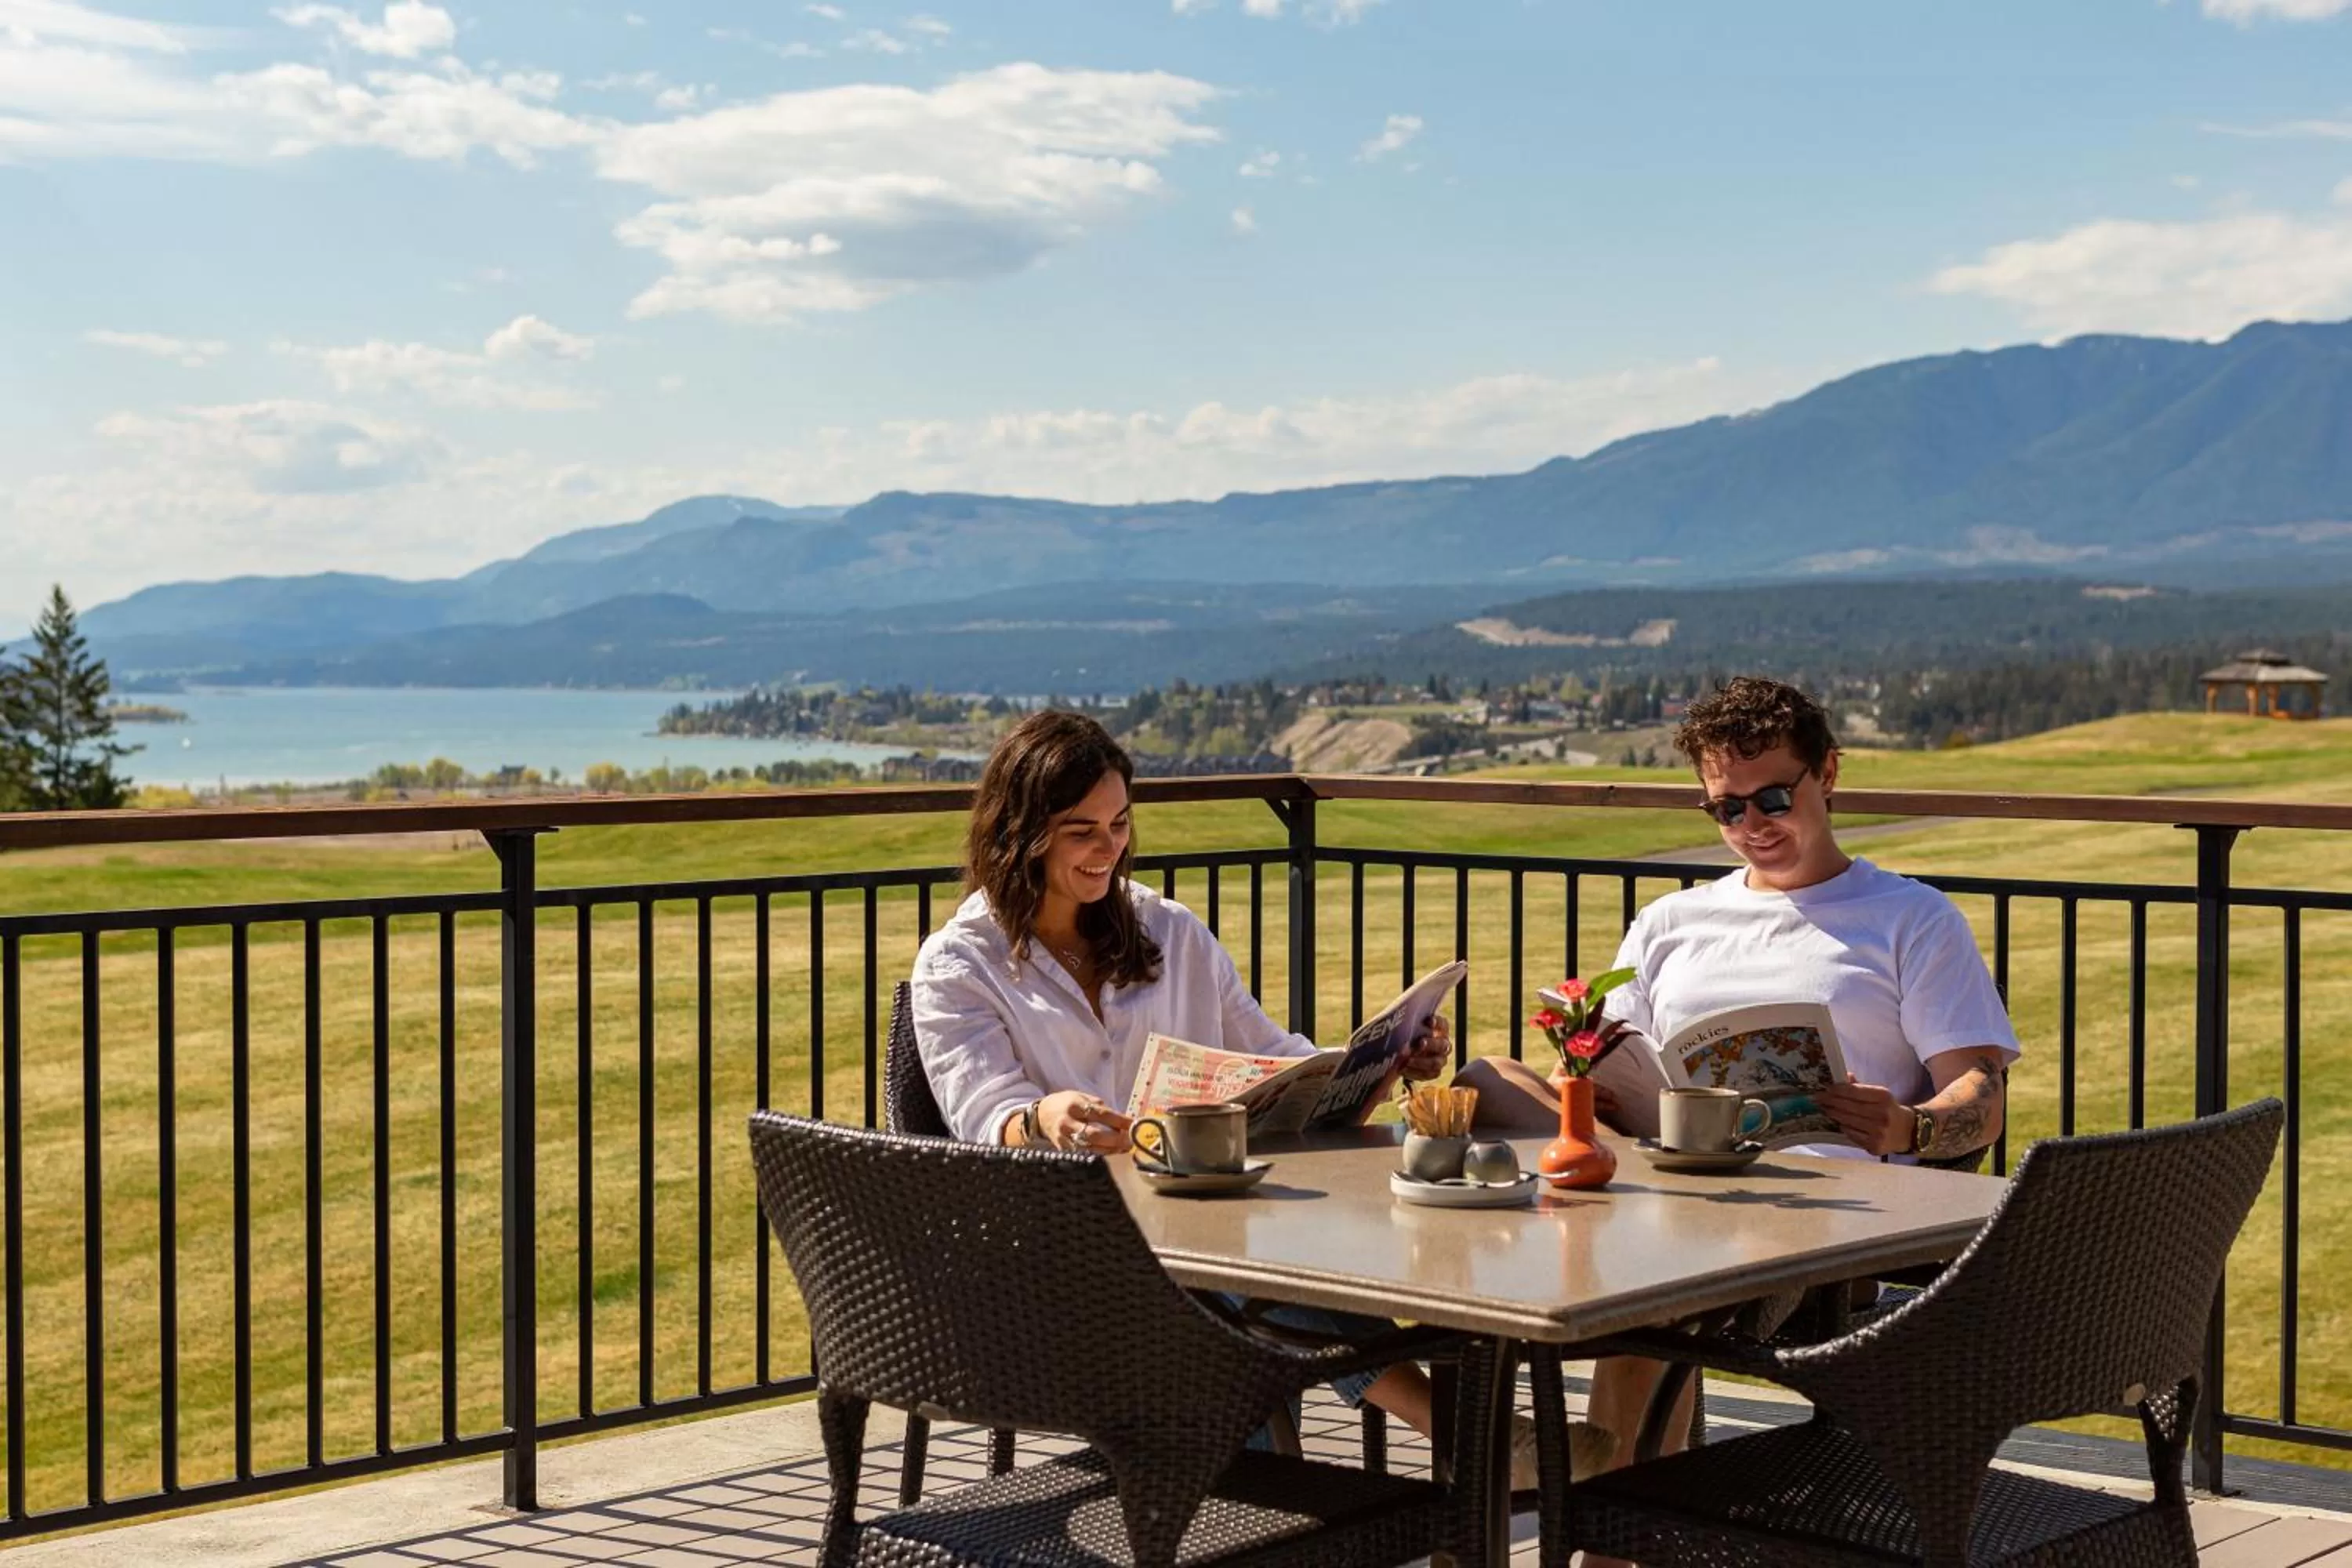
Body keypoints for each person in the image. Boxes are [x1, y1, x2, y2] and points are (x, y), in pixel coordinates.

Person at [1459, 676, 2020, 1523]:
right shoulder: (1671, 921)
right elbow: (1621, 1070)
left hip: (1815, 1213)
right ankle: (1606, 1491)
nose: (1752, 825)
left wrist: (1912, 1123)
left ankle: (1609, 1527)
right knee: (1485, 1081)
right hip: (1663, 1173)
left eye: (1771, 797)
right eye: (1726, 808)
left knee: (1659, 1279)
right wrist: (1591, 1085)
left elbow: (1982, 1087)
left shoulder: (1910, 918)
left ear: (1827, 772)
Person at [911, 711, 1472, 1458]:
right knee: (1244, 1266)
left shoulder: (1168, 931)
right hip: (1056, 1251)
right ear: (1022, 834)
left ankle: (1299, 1490)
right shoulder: (959, 966)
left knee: (1249, 1252)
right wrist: (1048, 1116)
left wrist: (1381, 1061)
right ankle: (1463, 1436)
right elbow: (986, 1117)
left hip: (1197, 1233)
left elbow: (1277, 1060)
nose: (1108, 848)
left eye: (1119, 824)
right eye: (1082, 830)